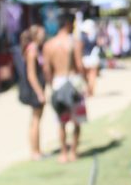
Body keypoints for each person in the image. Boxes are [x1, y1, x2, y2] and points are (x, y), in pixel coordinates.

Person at [43, 12, 87, 163]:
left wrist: (50, 86)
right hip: (73, 82)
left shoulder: (48, 45)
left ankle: (63, 153)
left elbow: (47, 70)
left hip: (57, 82)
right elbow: (80, 66)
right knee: (76, 120)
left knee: (61, 120)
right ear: (68, 24)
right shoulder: (75, 43)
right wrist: (86, 84)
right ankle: (73, 151)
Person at [22, 25, 47, 160]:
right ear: (34, 36)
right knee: (35, 120)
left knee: (36, 119)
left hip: (37, 89)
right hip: (34, 91)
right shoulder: (31, 51)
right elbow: (31, 75)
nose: (44, 36)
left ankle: (37, 150)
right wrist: (40, 93)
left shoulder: (36, 49)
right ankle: (35, 152)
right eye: (42, 34)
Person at [80, 19, 102, 96]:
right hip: (93, 58)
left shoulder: (82, 37)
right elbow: (100, 44)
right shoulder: (95, 35)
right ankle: (91, 91)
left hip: (84, 58)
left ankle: (87, 90)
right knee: (93, 75)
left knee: (87, 75)